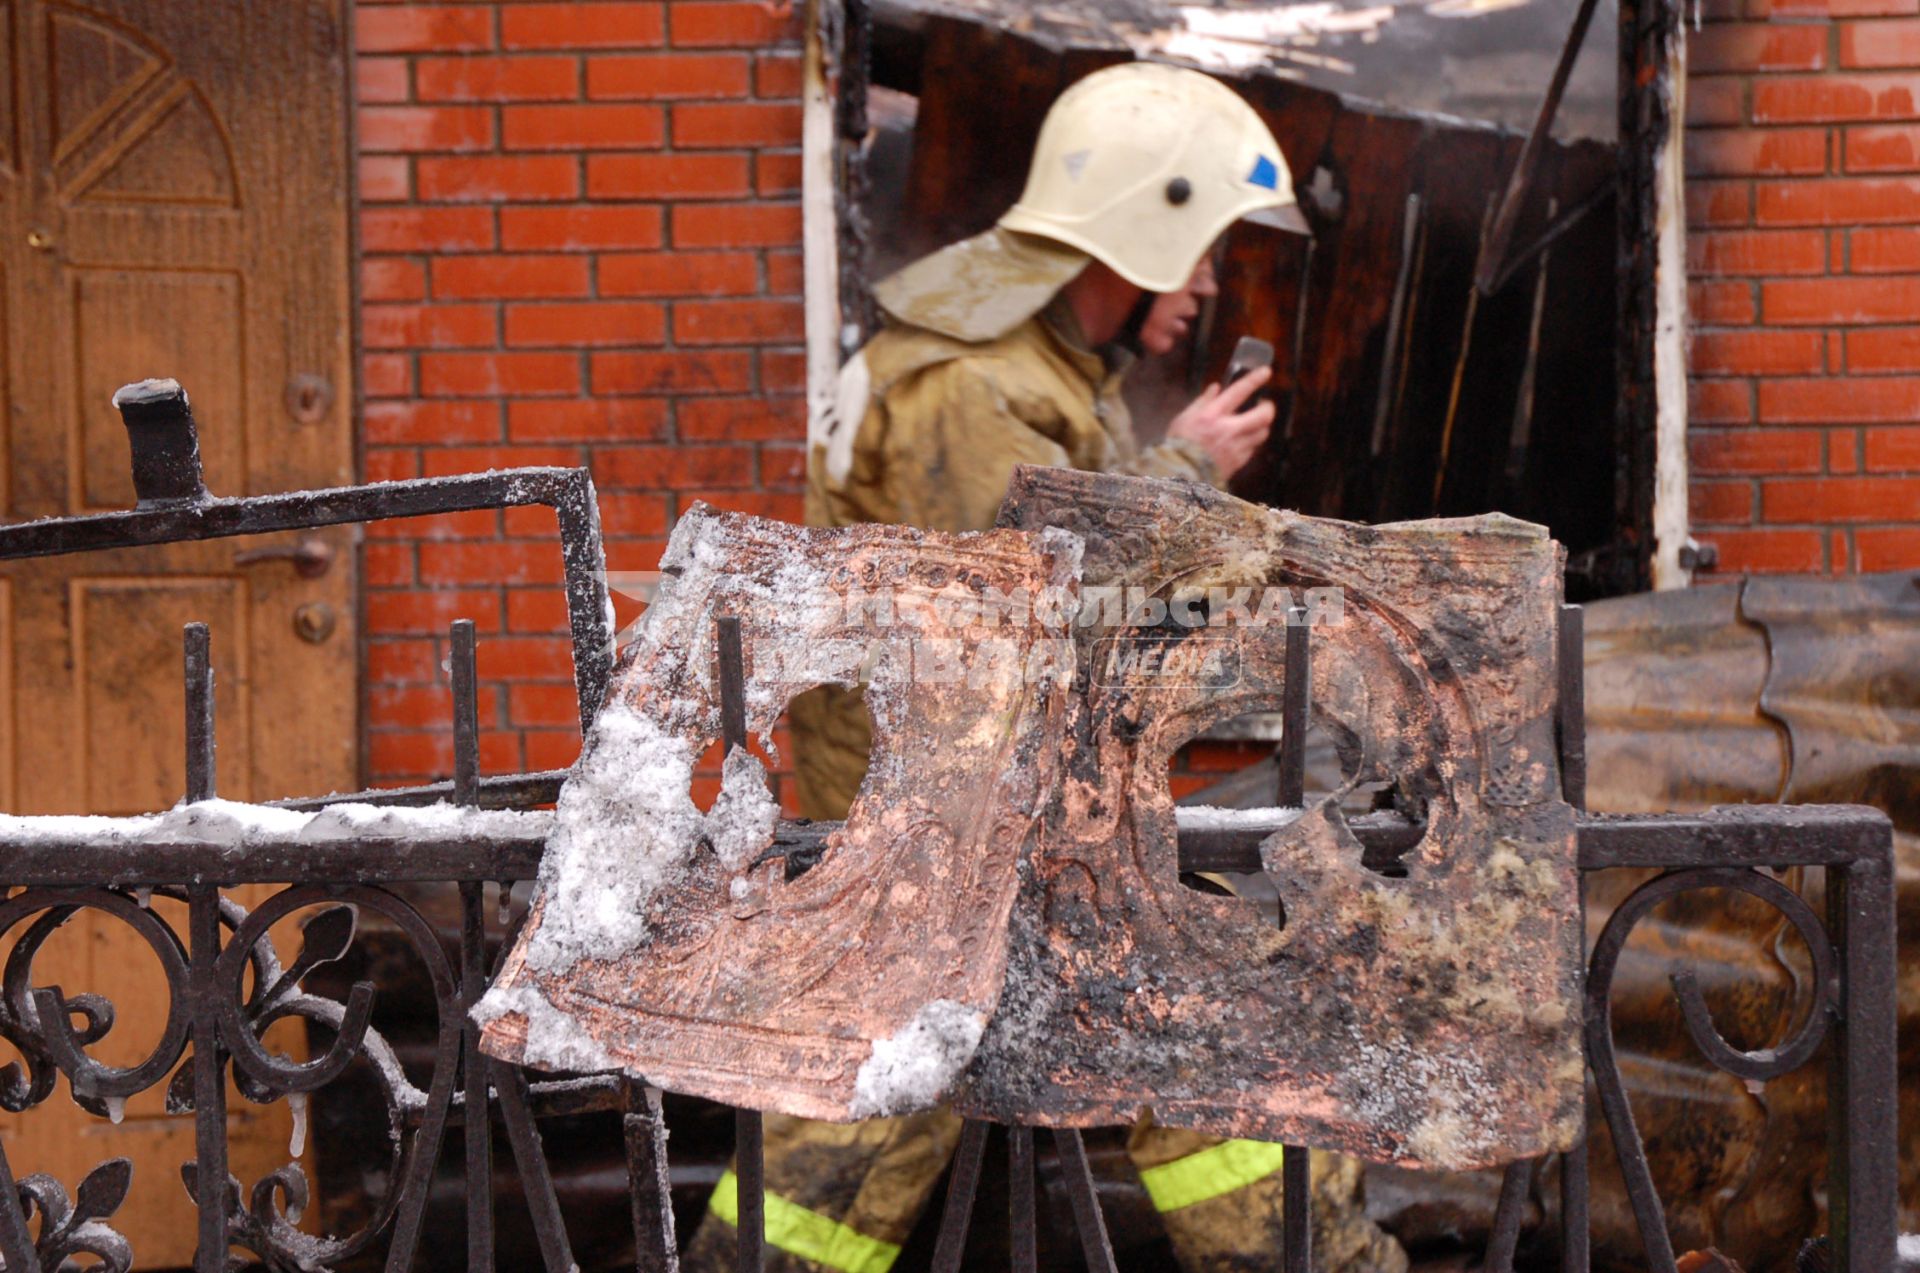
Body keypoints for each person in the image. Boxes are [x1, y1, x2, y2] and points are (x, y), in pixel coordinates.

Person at [682, 61, 1407, 1273]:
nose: (1213, 286)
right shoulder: (976, 387)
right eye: (1208, 251)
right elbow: (1046, 610)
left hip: (968, 845)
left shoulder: (1007, 370)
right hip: (966, 846)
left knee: (876, 1116)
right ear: (1142, 226)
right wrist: (1184, 484)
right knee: (1222, 1032)